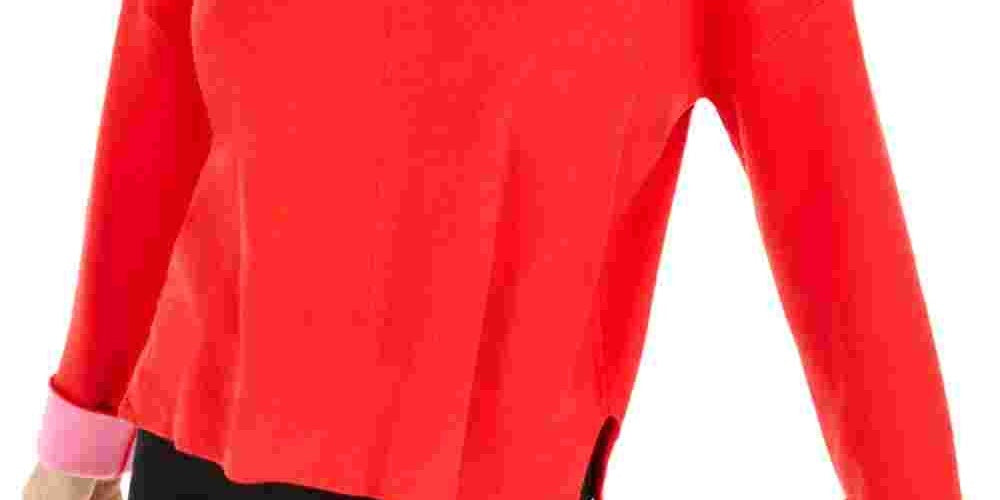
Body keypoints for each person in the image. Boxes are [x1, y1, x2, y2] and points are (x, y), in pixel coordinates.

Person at [24, 0, 963, 499]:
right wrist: (86, 416)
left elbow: (837, 226)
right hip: (207, 441)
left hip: (485, 464)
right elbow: (159, 89)